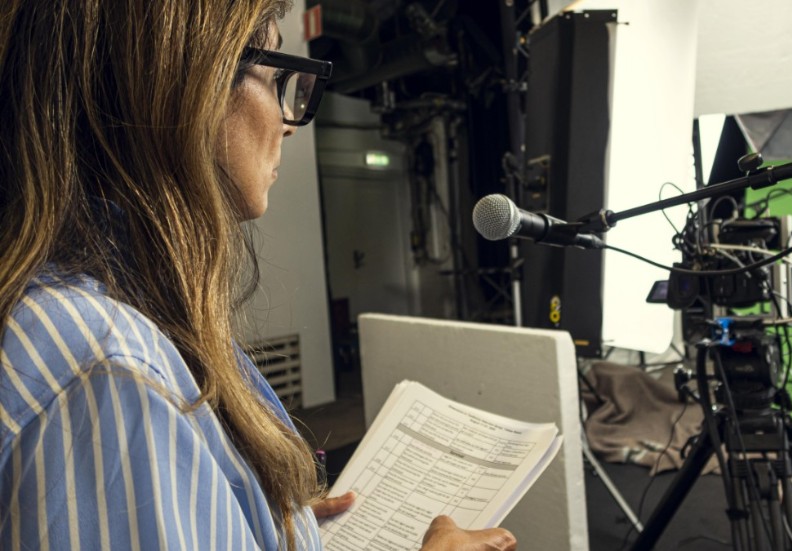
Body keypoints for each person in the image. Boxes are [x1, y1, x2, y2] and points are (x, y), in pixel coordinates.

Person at [0, 1, 516, 550]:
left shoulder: (85, 315)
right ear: (190, 83)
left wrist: (252, 516)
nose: (288, 124)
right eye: (277, 80)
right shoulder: (112, 370)